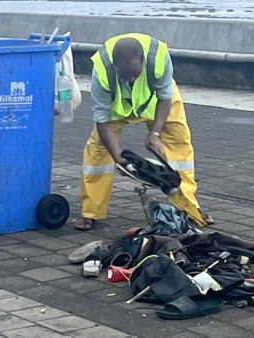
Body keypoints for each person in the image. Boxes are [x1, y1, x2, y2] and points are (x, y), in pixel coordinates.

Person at [75, 33, 213, 231]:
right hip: (117, 106)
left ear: (142, 61)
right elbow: (102, 119)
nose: (131, 79)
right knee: (97, 151)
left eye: (135, 74)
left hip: (158, 103)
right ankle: (90, 213)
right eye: (125, 75)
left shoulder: (160, 57)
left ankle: (189, 210)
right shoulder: (102, 71)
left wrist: (155, 134)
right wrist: (117, 156)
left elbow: (165, 98)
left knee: (179, 145)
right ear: (115, 66)